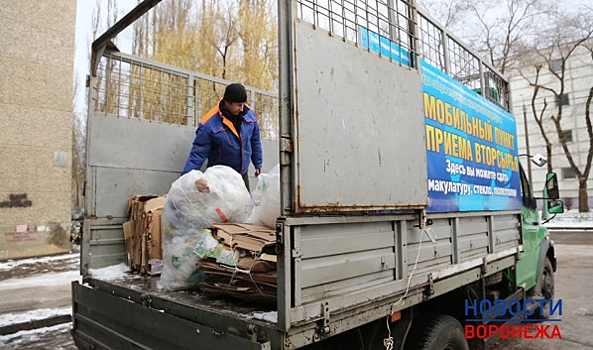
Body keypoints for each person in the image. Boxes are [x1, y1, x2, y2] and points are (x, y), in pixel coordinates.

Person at [181, 83, 263, 191]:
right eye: (238, 105)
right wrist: (185, 181)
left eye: (243, 104)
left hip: (241, 174)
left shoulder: (249, 115)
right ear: (227, 103)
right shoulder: (209, 124)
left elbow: (255, 140)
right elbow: (198, 154)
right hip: (219, 178)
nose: (242, 109)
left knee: (245, 206)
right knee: (219, 207)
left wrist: (258, 163)